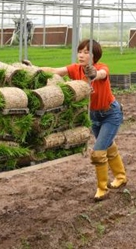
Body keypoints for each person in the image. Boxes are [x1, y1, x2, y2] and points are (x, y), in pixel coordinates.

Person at [37, 38, 127, 201]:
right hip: (93, 116)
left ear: (95, 55)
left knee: (98, 152)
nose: (82, 55)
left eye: (86, 52)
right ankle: (121, 177)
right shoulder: (76, 69)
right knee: (107, 145)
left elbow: (101, 74)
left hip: (110, 114)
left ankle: (102, 189)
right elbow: (56, 70)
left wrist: (93, 73)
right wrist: (34, 69)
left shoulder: (101, 68)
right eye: (80, 51)